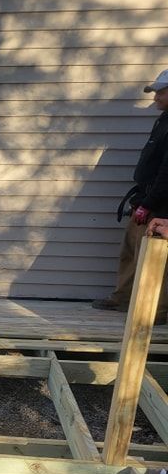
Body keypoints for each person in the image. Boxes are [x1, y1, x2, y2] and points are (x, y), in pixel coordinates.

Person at [92, 69, 168, 319]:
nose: (155, 97)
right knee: (131, 250)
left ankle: (156, 310)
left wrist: (149, 204)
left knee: (155, 260)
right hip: (146, 198)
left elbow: (167, 172)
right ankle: (123, 297)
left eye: (160, 92)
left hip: (161, 205)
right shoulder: (163, 120)